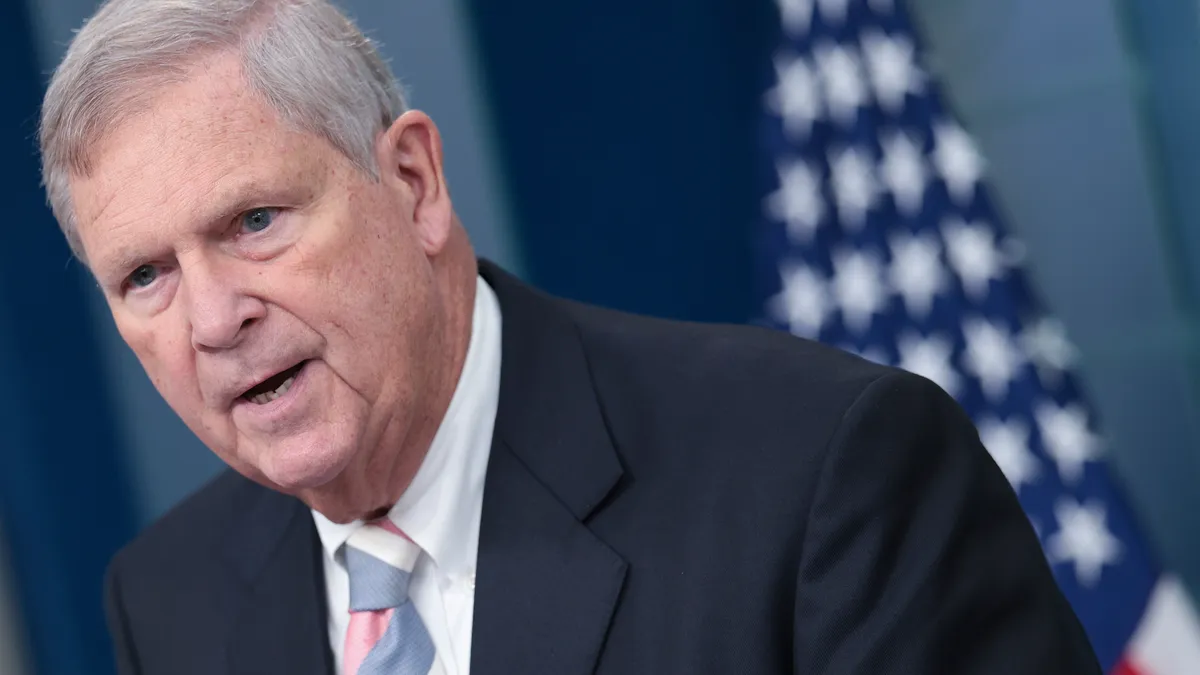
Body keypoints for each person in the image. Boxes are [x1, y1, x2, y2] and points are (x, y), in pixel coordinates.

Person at [38, 1, 1102, 673]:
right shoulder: (165, 598)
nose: (215, 319)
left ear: (412, 184)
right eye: (145, 277)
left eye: (254, 223)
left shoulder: (824, 474)